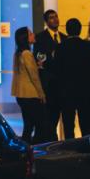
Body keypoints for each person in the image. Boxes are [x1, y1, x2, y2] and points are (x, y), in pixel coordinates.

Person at [56, 18, 90, 138]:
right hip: (85, 90)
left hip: (66, 91)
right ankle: (86, 147)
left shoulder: (61, 47)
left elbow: (57, 69)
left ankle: (70, 147)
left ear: (67, 30)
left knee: (68, 125)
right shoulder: (89, 46)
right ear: (80, 30)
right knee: (86, 125)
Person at [12, 27, 48, 143]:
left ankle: (26, 147)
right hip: (30, 94)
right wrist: (41, 94)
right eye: (31, 34)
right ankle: (36, 147)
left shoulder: (18, 53)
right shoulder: (27, 54)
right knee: (40, 125)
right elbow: (34, 77)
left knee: (28, 125)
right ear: (25, 38)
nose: (34, 35)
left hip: (21, 94)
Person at [33, 9, 63, 140]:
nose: (55, 19)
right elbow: (40, 58)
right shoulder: (40, 37)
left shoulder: (64, 37)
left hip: (61, 84)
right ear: (46, 21)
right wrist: (52, 59)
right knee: (48, 118)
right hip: (48, 83)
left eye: (56, 16)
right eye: (51, 17)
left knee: (57, 115)